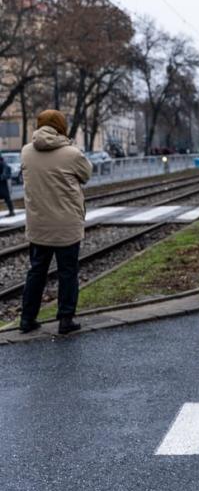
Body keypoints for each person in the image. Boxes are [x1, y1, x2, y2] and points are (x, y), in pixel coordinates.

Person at [19, 110, 92, 335]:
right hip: (66, 226)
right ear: (61, 126)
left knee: (36, 272)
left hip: (38, 225)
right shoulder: (72, 154)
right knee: (67, 273)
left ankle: (27, 319)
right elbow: (86, 174)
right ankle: (65, 320)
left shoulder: (26, 152)